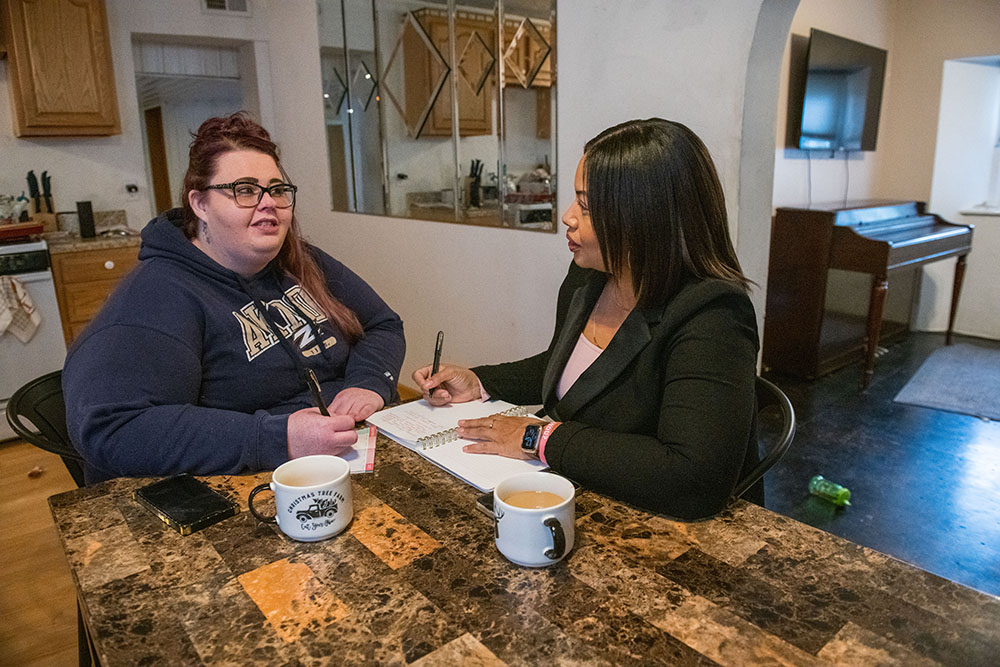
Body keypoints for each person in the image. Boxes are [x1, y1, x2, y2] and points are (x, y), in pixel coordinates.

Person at [414, 118, 759, 520]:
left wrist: (537, 436)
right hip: (587, 489)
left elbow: (690, 478)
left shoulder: (712, 316)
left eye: (587, 206)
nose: (567, 216)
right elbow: (573, 371)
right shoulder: (589, 275)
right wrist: (479, 381)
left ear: (646, 218)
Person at [64, 112, 405, 484]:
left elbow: (382, 324)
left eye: (277, 190)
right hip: (247, 486)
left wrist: (368, 381)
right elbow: (112, 428)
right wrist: (276, 438)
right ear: (200, 204)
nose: (268, 203)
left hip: (342, 458)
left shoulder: (300, 259)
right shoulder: (157, 296)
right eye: (244, 190)